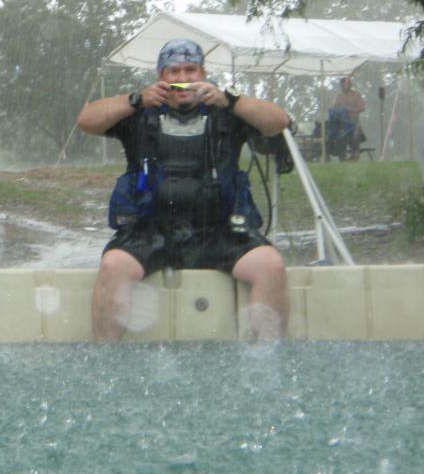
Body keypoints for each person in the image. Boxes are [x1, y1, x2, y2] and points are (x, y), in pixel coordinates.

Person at [77, 38, 290, 341]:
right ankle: (106, 359)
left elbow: (279, 122)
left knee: (271, 265)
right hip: (152, 230)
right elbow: (86, 121)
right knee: (113, 265)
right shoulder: (139, 113)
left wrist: (229, 99)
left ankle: (269, 359)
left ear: (202, 73)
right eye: (173, 71)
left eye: (191, 70)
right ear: (160, 77)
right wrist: (135, 99)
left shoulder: (227, 111)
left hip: (219, 229)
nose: (183, 79)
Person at [332, 76, 366, 160]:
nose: (343, 87)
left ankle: (355, 160)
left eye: (346, 84)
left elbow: (362, 108)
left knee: (355, 144)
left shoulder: (356, 95)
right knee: (341, 144)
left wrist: (351, 109)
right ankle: (343, 161)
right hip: (342, 126)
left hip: (354, 124)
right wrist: (339, 110)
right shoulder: (339, 96)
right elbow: (333, 109)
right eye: (341, 85)